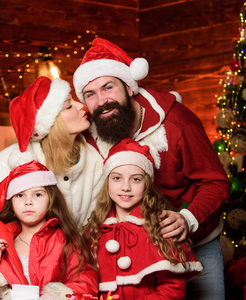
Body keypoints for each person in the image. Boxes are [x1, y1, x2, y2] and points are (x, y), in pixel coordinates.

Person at [73, 38, 231, 299]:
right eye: (91, 94)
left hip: (195, 238)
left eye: (108, 87)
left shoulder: (178, 123)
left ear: (129, 86)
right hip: (135, 247)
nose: (102, 101)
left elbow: (216, 182)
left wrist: (188, 219)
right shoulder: (92, 132)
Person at [0, 76, 104, 268]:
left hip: (65, 273)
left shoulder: (94, 162)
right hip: (11, 272)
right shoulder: (11, 160)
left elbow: (91, 230)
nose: (81, 106)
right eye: (68, 106)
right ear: (51, 123)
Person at [84, 139, 203, 299]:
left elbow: (172, 290)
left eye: (135, 179)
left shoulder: (161, 227)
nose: (126, 187)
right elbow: (83, 281)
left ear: (146, 184)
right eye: (117, 178)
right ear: (107, 182)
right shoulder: (94, 230)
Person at [0, 160, 98, 299]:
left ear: (50, 199)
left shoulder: (65, 240)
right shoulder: (3, 244)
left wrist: (56, 296)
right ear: (11, 203)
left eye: (37, 194)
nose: (28, 202)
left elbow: (85, 283)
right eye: (20, 195)